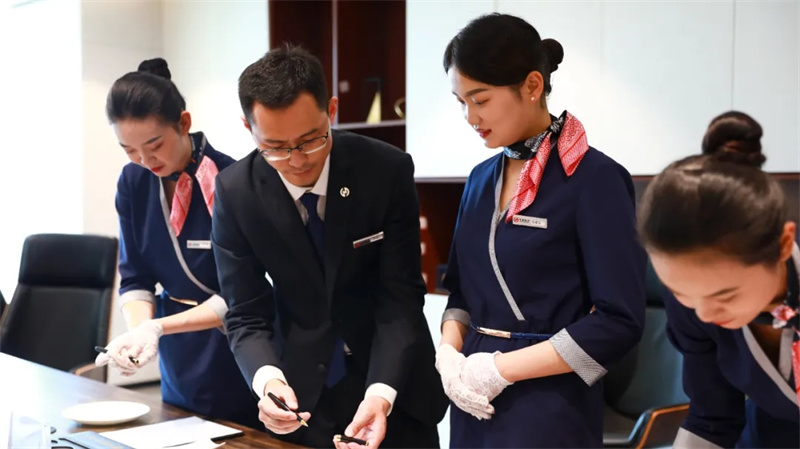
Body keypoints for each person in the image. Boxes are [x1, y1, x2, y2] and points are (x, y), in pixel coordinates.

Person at [210, 45, 448, 448]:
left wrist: (380, 394)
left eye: (310, 140)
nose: (296, 160)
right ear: (248, 127)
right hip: (304, 395)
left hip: (394, 385)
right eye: (275, 147)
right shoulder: (236, 192)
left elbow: (401, 297)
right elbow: (246, 312)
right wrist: (269, 382)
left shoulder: (385, 170)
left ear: (331, 110)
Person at [435, 13, 646, 448]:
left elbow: (619, 321)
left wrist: (501, 369)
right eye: (461, 102)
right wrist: (448, 356)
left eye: (480, 99)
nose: (470, 117)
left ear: (532, 86)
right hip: (472, 396)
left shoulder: (594, 179)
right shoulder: (479, 180)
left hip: (550, 403)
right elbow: (462, 294)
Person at [95, 58, 260, 429]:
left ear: (184, 123)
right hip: (178, 349)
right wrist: (141, 332)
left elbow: (241, 292)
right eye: (129, 150)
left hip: (236, 343)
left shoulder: (232, 179)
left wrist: (158, 328)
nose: (144, 160)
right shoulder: (133, 182)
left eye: (154, 145)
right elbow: (135, 277)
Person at [639, 150, 799, 447]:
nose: (704, 314)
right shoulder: (691, 303)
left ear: (784, 244)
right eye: (680, 292)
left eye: (725, 294)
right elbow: (712, 417)